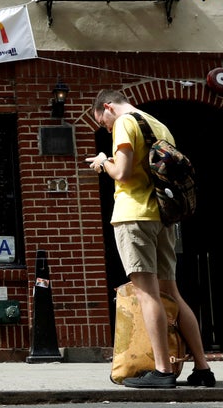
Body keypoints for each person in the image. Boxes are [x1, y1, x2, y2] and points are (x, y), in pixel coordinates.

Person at [86, 89, 215, 389]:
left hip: (134, 217)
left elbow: (122, 171)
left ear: (108, 107)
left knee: (148, 294)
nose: (106, 128)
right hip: (162, 217)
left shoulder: (123, 122)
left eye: (103, 123)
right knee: (172, 293)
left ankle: (162, 370)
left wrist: (102, 162)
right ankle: (202, 367)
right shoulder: (159, 125)